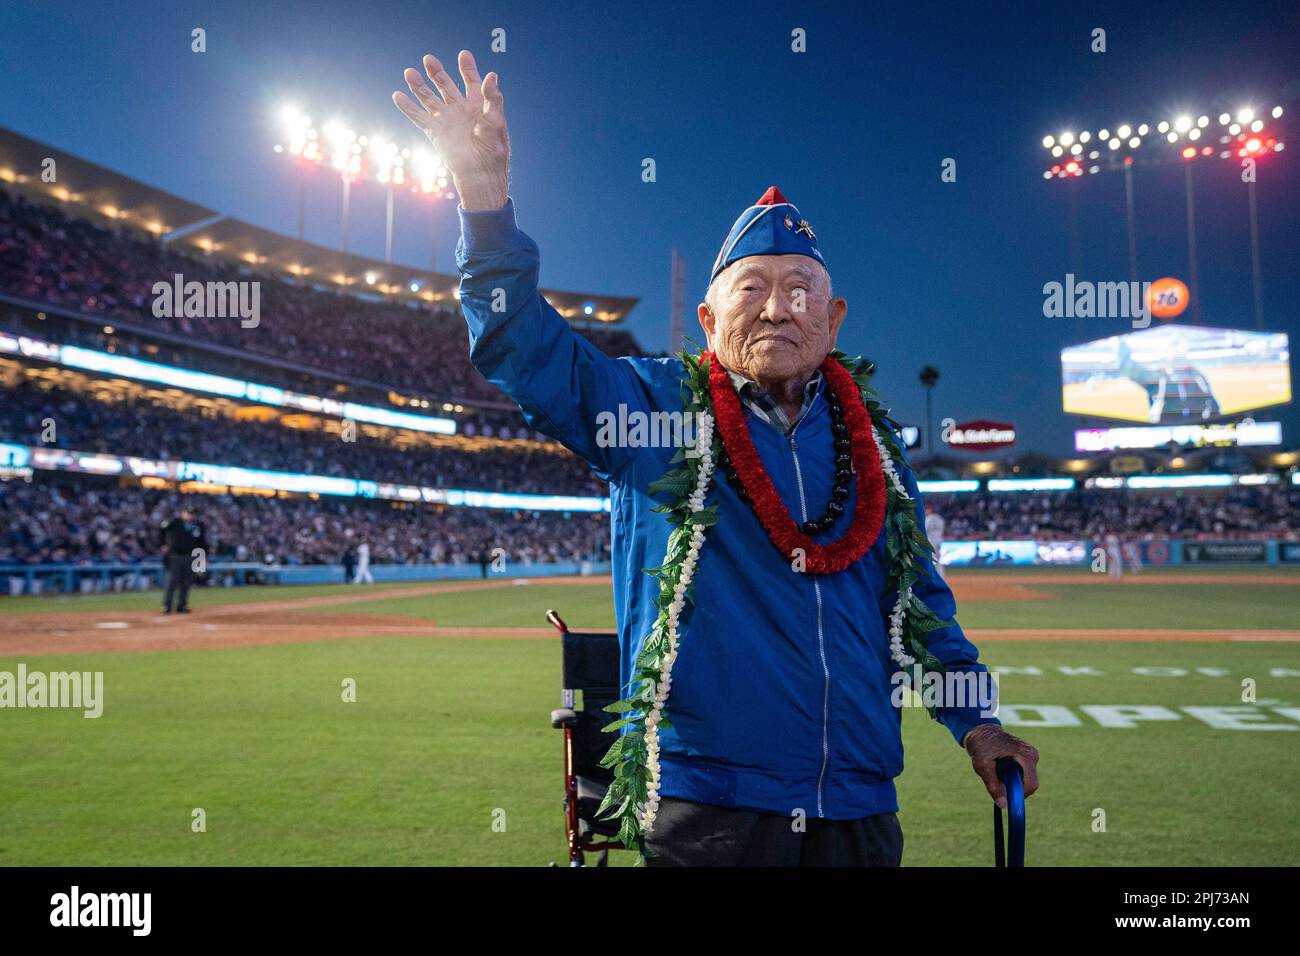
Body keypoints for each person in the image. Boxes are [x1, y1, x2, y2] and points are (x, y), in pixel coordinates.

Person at [394, 50, 1039, 867]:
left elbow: (922, 609)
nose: (778, 307)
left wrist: (978, 724)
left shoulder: (874, 446)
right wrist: (485, 208)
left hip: (860, 805)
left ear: (833, 318)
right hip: (711, 812)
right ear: (707, 318)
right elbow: (522, 351)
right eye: (752, 288)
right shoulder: (653, 411)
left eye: (800, 289)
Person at [159, 507, 205, 613]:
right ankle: (167, 605)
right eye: (187, 513)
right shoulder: (175, 522)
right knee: (172, 581)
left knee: (186, 582)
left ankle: (182, 605)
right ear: (182, 513)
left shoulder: (198, 525)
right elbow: (162, 530)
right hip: (175, 555)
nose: (189, 515)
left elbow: (202, 544)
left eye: (191, 513)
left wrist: (201, 560)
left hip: (191, 556)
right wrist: (163, 544)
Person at [924, 510, 947, 580]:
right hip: (939, 540)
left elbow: (925, 529)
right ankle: (941, 576)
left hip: (931, 541)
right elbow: (943, 529)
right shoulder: (940, 519)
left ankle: (932, 576)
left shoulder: (928, 518)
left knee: (931, 559)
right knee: (938, 560)